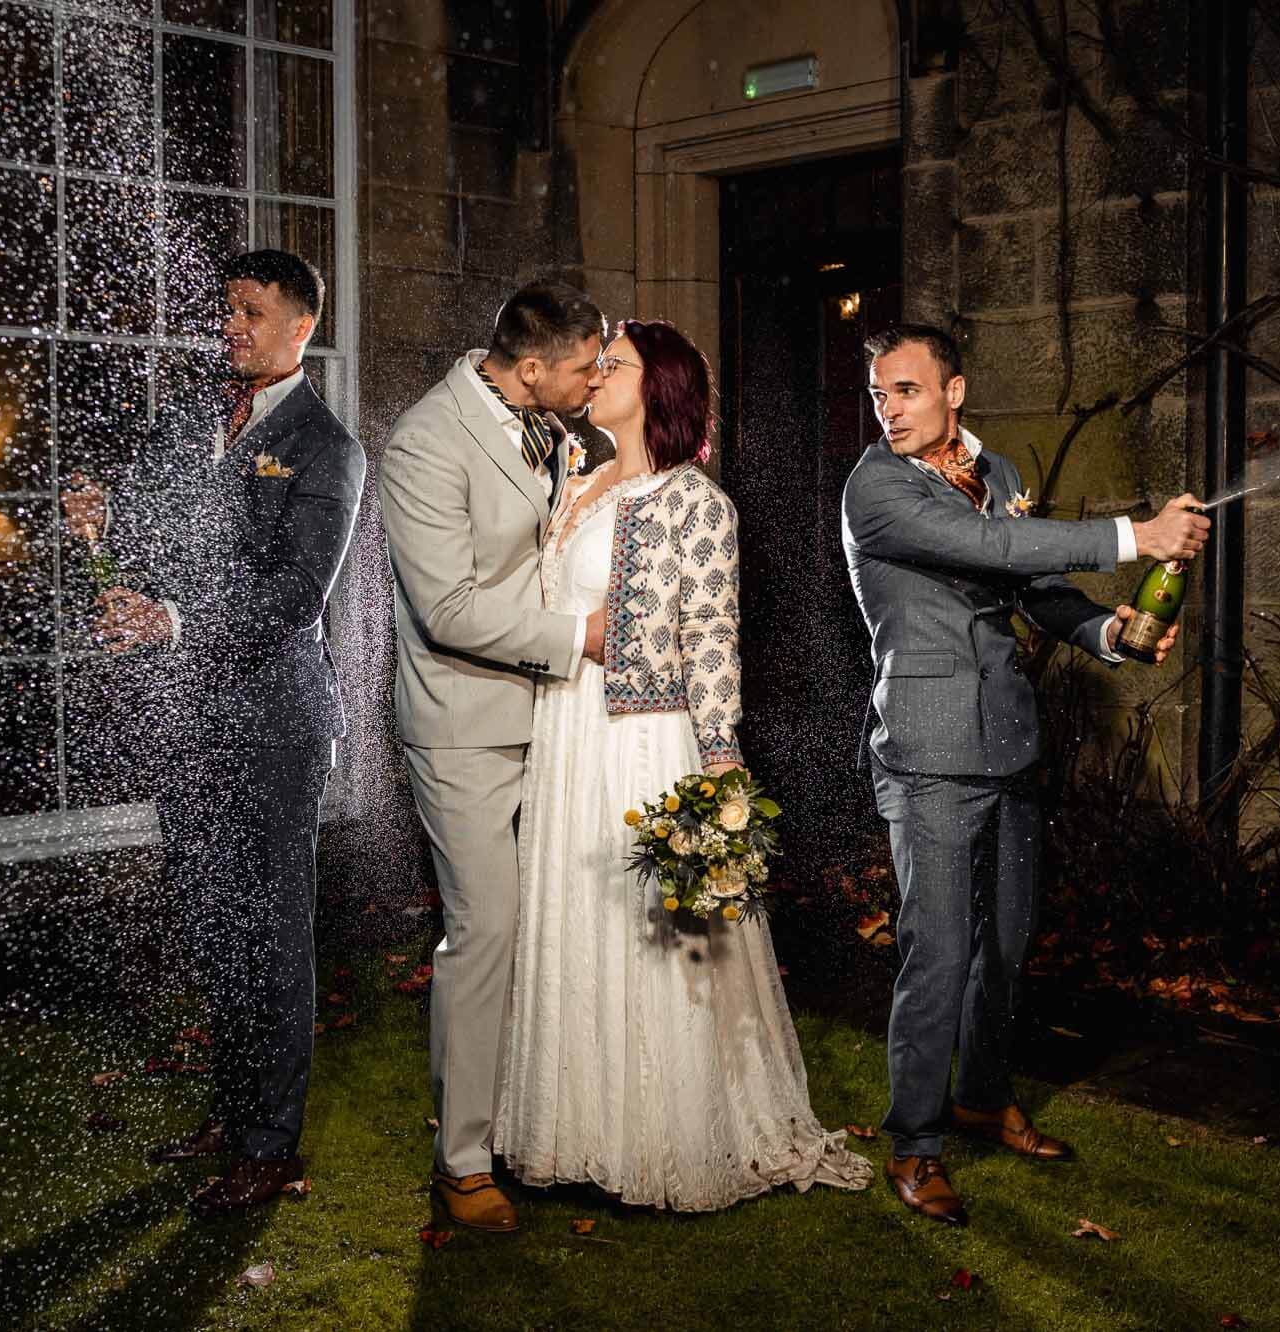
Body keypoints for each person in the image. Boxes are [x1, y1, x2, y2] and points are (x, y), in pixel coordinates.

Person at [493, 319, 873, 1211]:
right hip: (565, 735)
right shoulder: (576, 484)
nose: (593, 376)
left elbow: (709, 641)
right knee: (570, 920)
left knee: (649, 937)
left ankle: (667, 1133)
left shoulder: (696, 504)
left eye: (612, 365)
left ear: (655, 387)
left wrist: (719, 770)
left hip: (641, 739)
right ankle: (575, 1130)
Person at [839, 323, 1208, 1225]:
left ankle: (981, 1094)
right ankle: (915, 1145)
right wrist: (1135, 534)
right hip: (928, 744)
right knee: (938, 950)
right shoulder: (877, 487)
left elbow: (1028, 587)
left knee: (1006, 940)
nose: (890, 409)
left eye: (908, 391)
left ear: (953, 391)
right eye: (880, 393)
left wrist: (1106, 633)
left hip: (1005, 735)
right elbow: (996, 552)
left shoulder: (996, 474)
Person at [60, 248, 364, 1218]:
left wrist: (177, 622)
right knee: (211, 922)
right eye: (224, 309)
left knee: (270, 934)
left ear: (299, 326)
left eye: (249, 310)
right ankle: (233, 1114)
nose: (229, 324)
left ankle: (269, 1146)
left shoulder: (326, 447)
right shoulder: (187, 423)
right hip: (190, 723)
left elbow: (293, 594)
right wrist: (101, 528)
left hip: (276, 726)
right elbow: (151, 543)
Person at [379, 281, 610, 1233]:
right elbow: (451, 610)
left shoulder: (554, 425)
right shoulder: (424, 443)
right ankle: (463, 1159)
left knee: (554, 921)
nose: (598, 378)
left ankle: (537, 1115)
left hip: (556, 718)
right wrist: (581, 638)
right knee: (487, 930)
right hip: (464, 723)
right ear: (529, 370)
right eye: (585, 366)